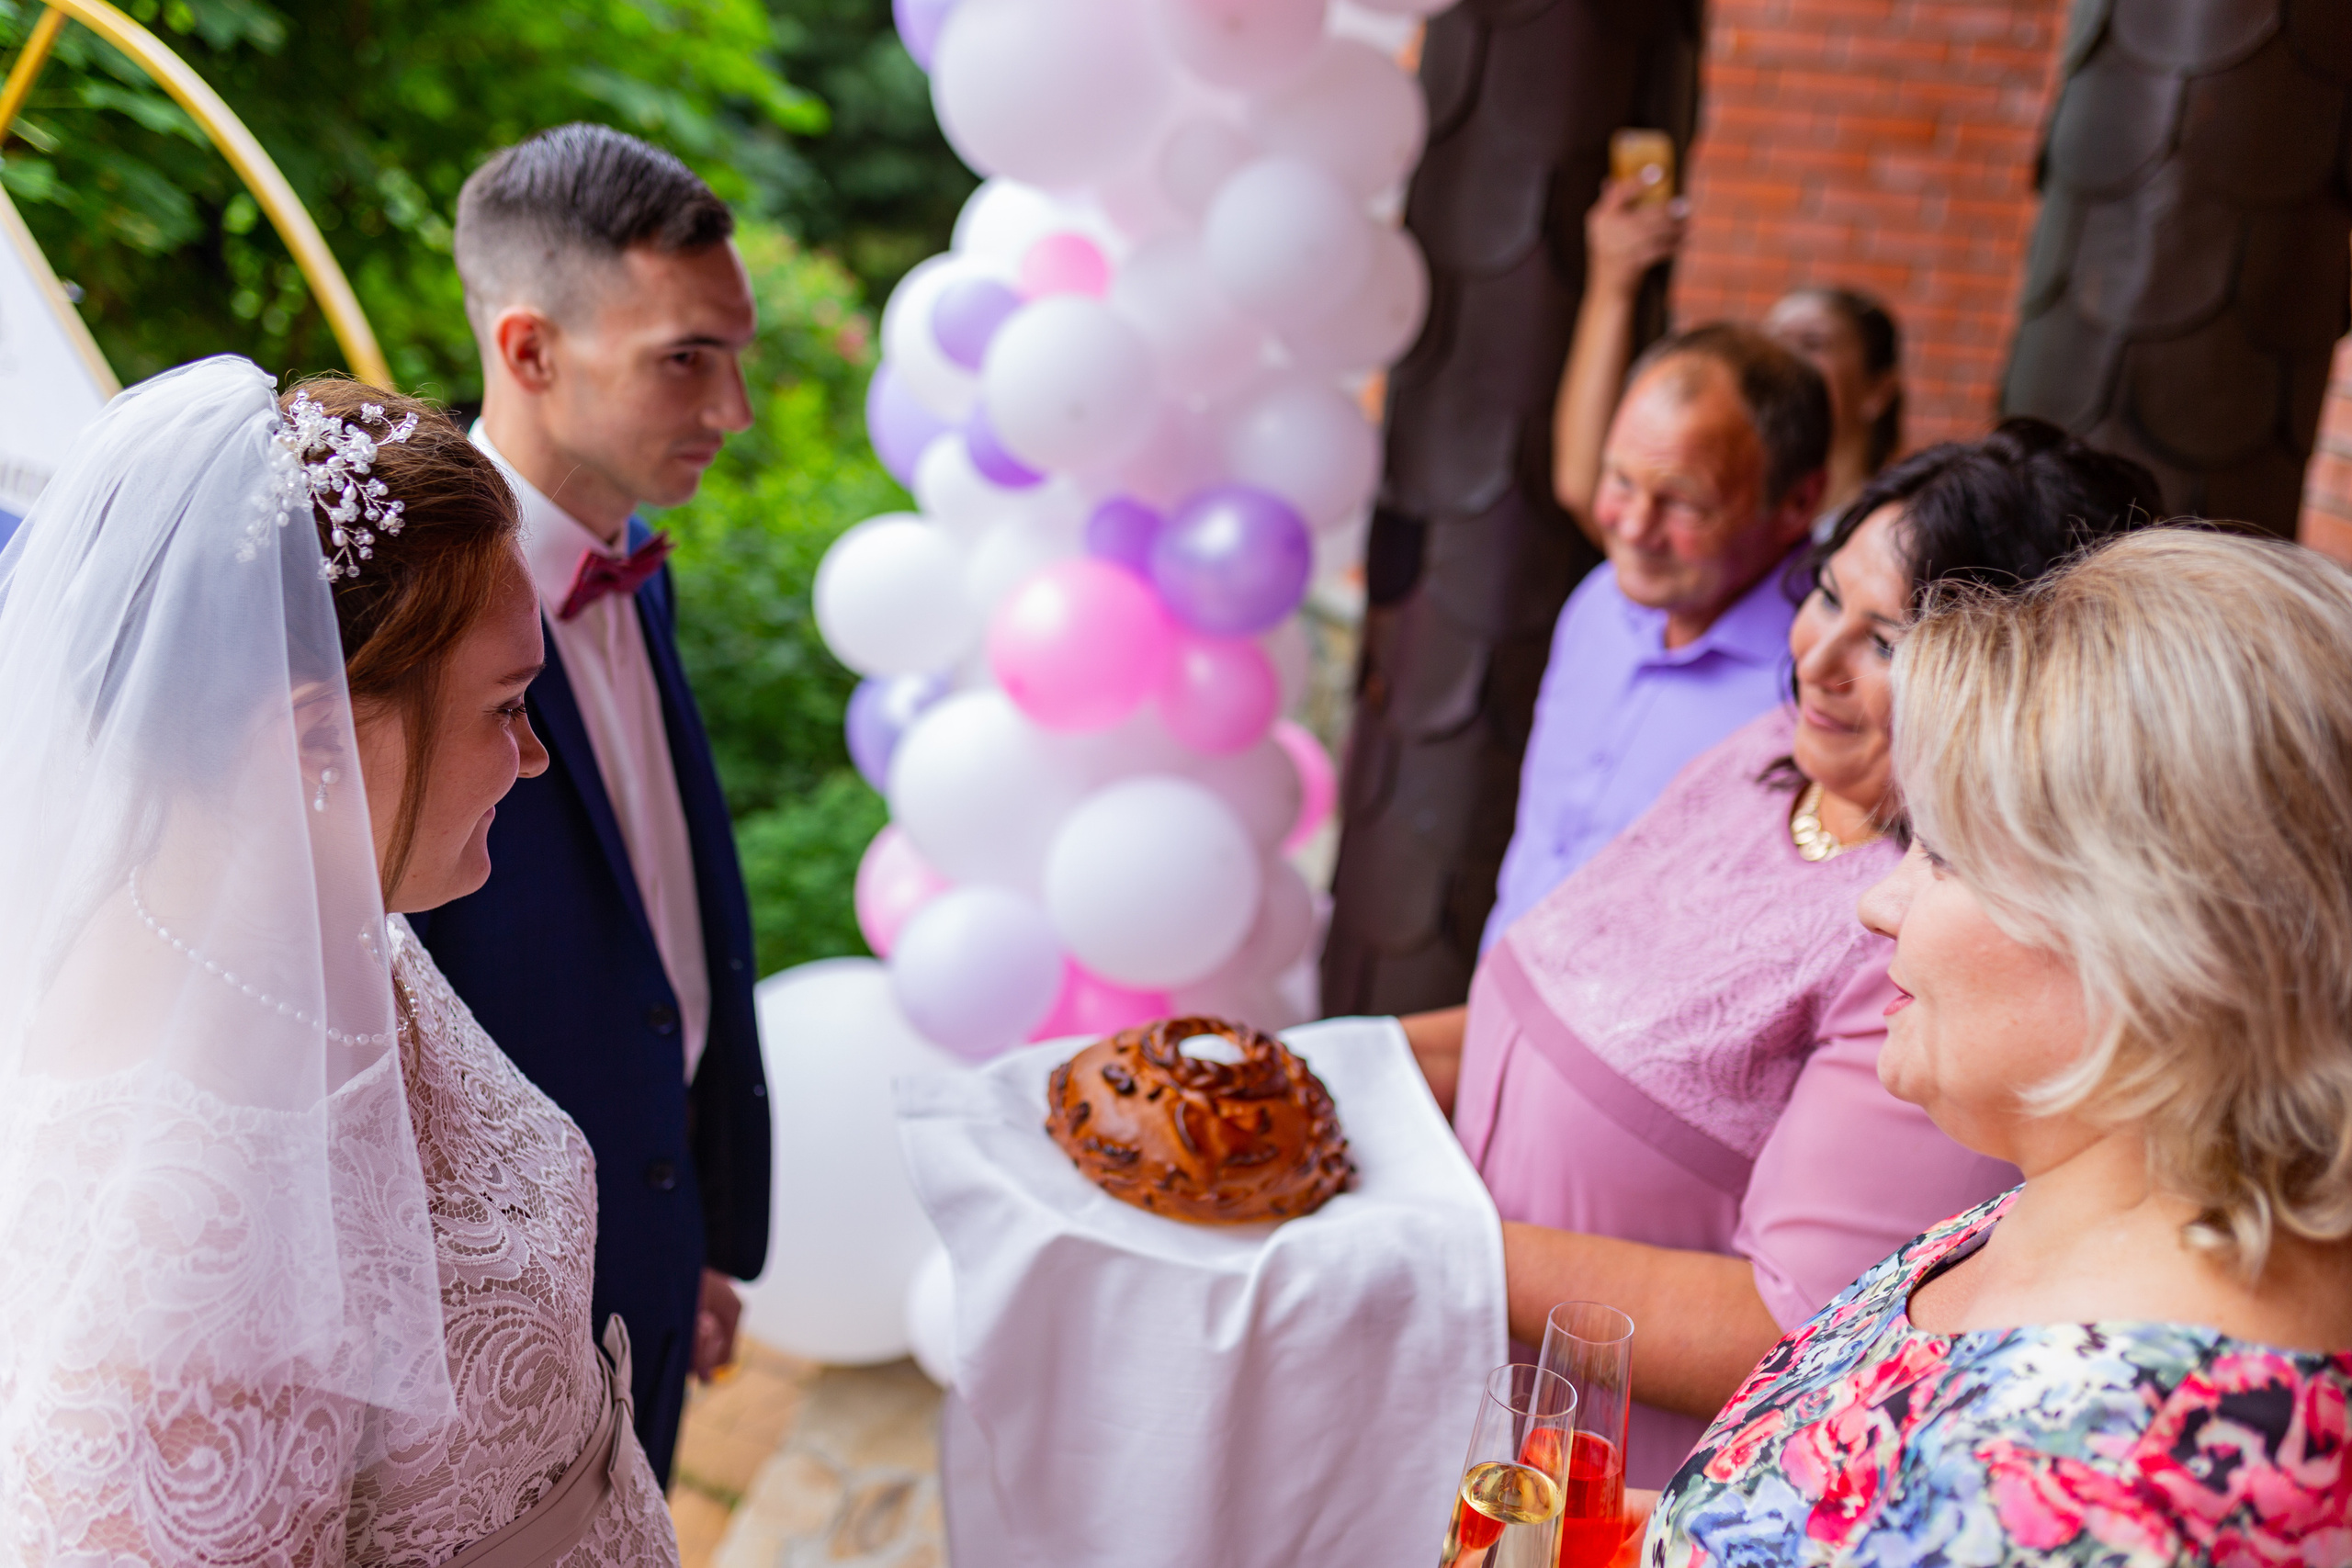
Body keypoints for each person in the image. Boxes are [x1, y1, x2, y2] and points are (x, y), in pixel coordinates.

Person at [0, 357, 679, 1561]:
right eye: (505, 706)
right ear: (310, 732)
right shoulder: (184, 1249)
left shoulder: (320, 926)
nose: (533, 759)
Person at [1408, 419, 2167, 1489]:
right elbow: (1546, 1010)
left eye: (1888, 641)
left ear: (2018, 687)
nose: (1813, 659)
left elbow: (1802, 1325)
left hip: (1610, 1482)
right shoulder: (1769, 752)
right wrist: (1350, 1061)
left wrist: (1421, 1249)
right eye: (1825, 594)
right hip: (1460, 1380)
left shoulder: (1947, 941)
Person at [1646, 529, 2352, 1564]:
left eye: (1940, 852)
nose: (1879, 905)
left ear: (2148, 937)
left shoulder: (2130, 1482)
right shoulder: (2066, 1205)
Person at [410, 122, 770, 1485]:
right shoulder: (398, 624)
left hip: (654, 1244)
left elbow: (667, 914)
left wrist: (698, 1230)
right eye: (687, 359)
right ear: (529, 352)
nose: (733, 412)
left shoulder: (639, 567)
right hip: (482, 1314)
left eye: (734, 355)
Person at [1483, 323, 1827, 950]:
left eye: (1683, 503)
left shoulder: (1822, 688)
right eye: (1619, 480)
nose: (1635, 527)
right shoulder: (1598, 601)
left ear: (1797, 502)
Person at [1552, 177, 1904, 536]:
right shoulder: (1732, 517)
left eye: (1812, 342)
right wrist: (1613, 282)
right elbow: (1586, 486)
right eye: (1774, 341)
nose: (1785, 359)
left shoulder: (1889, 536)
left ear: (1878, 390)